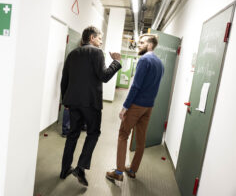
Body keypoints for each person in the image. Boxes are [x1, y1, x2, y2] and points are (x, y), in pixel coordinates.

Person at [59, 26, 122, 186]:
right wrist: (116, 62)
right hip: (91, 103)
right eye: (100, 38)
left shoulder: (72, 53)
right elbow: (104, 76)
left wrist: (65, 101)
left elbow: (64, 79)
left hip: (72, 102)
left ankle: (65, 169)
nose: (101, 42)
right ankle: (80, 167)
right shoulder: (97, 53)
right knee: (93, 133)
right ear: (92, 38)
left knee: (72, 135)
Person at [106, 34, 164, 181]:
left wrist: (125, 107)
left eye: (142, 42)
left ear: (150, 45)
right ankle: (132, 169)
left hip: (136, 105)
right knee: (140, 139)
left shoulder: (144, 60)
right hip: (148, 106)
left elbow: (136, 86)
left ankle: (118, 172)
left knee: (123, 135)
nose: (138, 45)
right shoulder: (160, 63)